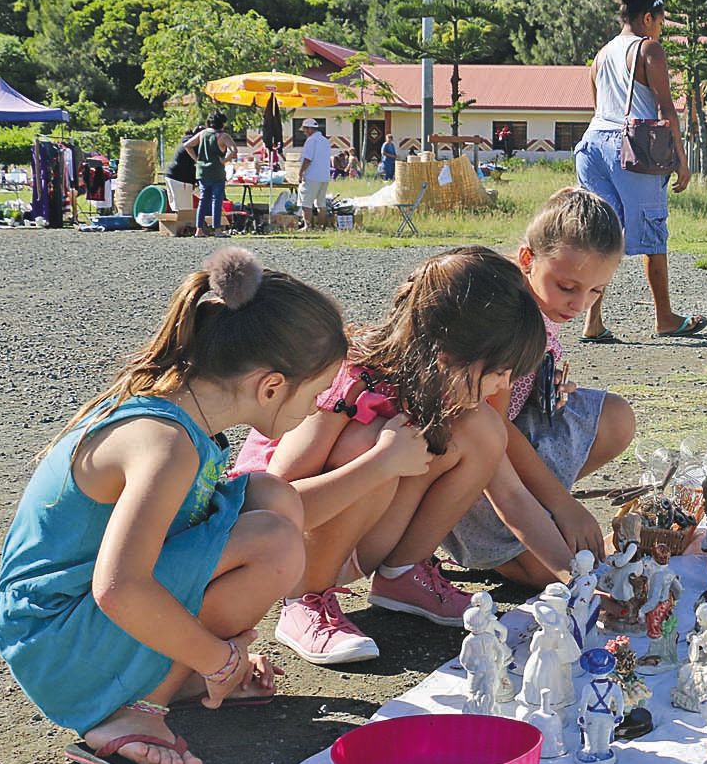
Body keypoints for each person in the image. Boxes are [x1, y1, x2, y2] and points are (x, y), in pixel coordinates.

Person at [0, 247, 347, 764]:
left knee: (274, 498)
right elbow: (119, 587)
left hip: (83, 618)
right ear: (271, 386)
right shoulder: (166, 445)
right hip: (57, 641)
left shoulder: (183, 418)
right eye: (318, 393)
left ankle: (171, 675)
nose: (319, 408)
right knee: (273, 542)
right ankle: (134, 707)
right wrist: (219, 659)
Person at [235, 248, 551, 666]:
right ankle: (305, 602)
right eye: (499, 370)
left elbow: (511, 495)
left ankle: (403, 576)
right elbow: (270, 506)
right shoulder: (346, 382)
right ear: (446, 355)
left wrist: (576, 575)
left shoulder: (440, 388)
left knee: (482, 430)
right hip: (276, 551)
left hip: (362, 536)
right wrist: (379, 464)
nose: (503, 384)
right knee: (371, 442)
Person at [446, 189, 639, 588]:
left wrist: (541, 388)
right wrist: (561, 504)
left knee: (615, 417)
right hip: (472, 460)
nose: (579, 304)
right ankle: (497, 543)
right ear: (527, 259)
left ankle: (528, 523)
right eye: (567, 287)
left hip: (505, 439)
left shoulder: (537, 306)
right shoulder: (507, 323)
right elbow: (492, 430)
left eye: (595, 291)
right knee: (551, 571)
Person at [575, 0, 706, 341]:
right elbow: (666, 108)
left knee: (602, 235)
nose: (661, 29)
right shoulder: (649, 50)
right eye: (660, 22)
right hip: (628, 148)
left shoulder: (601, 56)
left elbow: (599, 107)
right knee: (651, 229)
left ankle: (592, 321)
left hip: (591, 145)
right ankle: (664, 317)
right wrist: (681, 158)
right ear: (647, 18)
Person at [191, 110, 236, 238]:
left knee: (203, 200)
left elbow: (187, 145)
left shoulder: (203, 134)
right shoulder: (223, 136)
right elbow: (234, 150)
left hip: (202, 172)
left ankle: (199, 229)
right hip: (217, 172)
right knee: (217, 200)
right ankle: (217, 229)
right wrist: (224, 160)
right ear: (222, 123)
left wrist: (197, 159)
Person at [297, 117, 331, 231]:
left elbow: (308, 159)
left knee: (306, 202)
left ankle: (307, 226)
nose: (305, 132)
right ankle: (321, 227)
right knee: (321, 203)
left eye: (305, 129)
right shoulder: (325, 140)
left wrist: (300, 173)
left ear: (310, 129)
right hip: (324, 176)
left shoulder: (311, 140)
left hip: (312, 176)